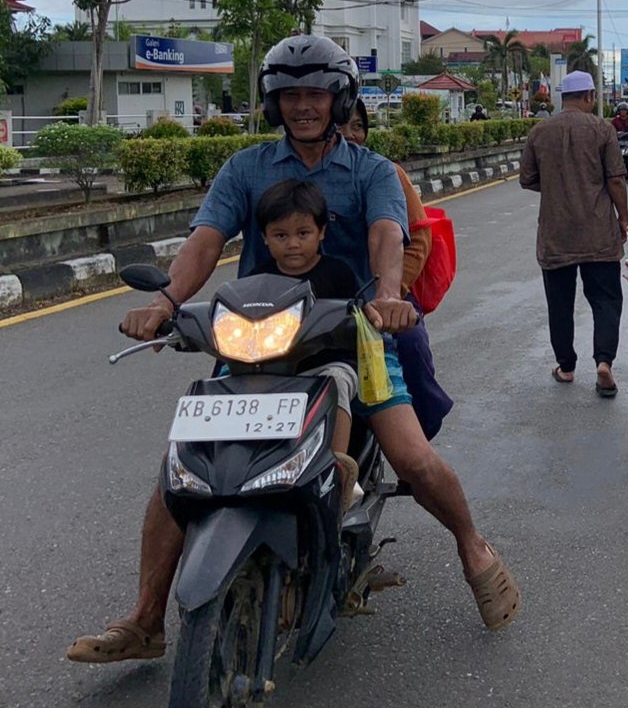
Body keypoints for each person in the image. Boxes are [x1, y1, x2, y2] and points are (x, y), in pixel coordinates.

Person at [67, 36, 519, 667]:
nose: (303, 106)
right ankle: (147, 620)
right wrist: (166, 302)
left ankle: (474, 549)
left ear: (339, 99)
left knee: (412, 455)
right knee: (181, 474)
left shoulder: (371, 171)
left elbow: (389, 234)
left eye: (315, 94)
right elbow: (206, 239)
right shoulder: (246, 168)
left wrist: (388, 295)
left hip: (350, 332)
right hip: (255, 341)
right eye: (290, 95)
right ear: (273, 103)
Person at [340, 98, 454, 441]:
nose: (350, 135)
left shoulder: (384, 172)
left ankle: (418, 435)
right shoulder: (287, 174)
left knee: (410, 343)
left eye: (357, 126)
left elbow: (418, 236)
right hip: (313, 304)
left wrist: (391, 294)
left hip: (377, 299)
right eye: (342, 125)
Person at [247, 179, 364, 508]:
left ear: (321, 232)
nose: (293, 244)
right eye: (281, 236)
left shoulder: (338, 274)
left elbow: (355, 315)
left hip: (328, 363)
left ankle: (337, 470)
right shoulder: (257, 280)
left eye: (303, 233)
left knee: (336, 383)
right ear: (265, 238)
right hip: (272, 365)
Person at [519, 70, 628, 397]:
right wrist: (623, 218)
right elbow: (616, 180)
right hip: (598, 233)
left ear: (561, 98)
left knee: (560, 303)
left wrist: (555, 187)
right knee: (606, 300)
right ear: (590, 96)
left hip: (556, 234)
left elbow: (527, 179)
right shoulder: (602, 129)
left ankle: (566, 367)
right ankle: (604, 363)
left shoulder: (540, 131)